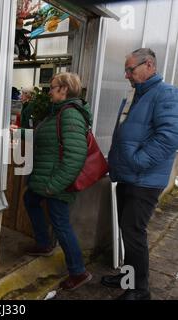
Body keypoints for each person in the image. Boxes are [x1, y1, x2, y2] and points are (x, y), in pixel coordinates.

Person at [102, 48, 178, 300]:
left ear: (149, 66)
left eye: (130, 69)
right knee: (127, 231)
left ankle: (139, 290)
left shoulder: (165, 94)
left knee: (134, 234)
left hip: (143, 180)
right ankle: (127, 277)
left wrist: (137, 161)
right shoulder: (139, 95)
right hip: (129, 177)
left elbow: (169, 138)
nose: (126, 75)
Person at [23, 72, 92, 291]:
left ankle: (79, 272)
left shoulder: (71, 115)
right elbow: (43, 137)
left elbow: (75, 157)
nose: (49, 91)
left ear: (64, 89)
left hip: (56, 183)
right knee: (30, 199)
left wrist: (54, 186)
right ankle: (44, 243)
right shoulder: (57, 113)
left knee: (61, 224)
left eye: (52, 87)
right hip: (47, 180)